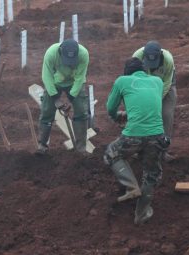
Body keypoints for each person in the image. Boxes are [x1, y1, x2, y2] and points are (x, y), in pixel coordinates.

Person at [104, 58, 170, 224]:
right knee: (151, 175)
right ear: (144, 71)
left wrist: (116, 117)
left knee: (112, 153)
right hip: (157, 136)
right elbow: (147, 103)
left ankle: (131, 187)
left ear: (127, 72)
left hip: (133, 135)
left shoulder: (122, 81)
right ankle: (141, 215)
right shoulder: (157, 81)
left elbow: (110, 108)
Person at [36, 38, 89, 155]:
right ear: (60, 51)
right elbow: (47, 77)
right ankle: (42, 146)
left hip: (74, 82)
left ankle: (81, 149)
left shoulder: (83, 54)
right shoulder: (51, 53)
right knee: (46, 111)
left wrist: (71, 99)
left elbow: (80, 78)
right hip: (55, 82)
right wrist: (55, 98)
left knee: (81, 111)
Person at [132, 41, 176, 162]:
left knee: (166, 114)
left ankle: (163, 151)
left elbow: (167, 83)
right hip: (143, 86)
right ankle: (140, 149)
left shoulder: (168, 59)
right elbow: (133, 81)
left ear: (160, 55)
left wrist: (156, 100)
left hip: (164, 85)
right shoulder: (137, 57)